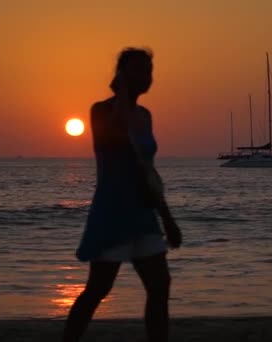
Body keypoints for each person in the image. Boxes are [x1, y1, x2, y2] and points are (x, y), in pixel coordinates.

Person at [63, 48, 182, 342]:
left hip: (143, 214)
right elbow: (113, 138)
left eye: (148, 70)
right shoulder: (101, 110)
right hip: (112, 215)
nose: (145, 76)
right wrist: (123, 97)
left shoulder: (146, 115)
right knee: (98, 290)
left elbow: (149, 173)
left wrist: (167, 217)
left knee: (160, 286)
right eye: (137, 70)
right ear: (121, 75)